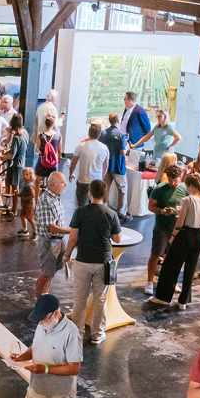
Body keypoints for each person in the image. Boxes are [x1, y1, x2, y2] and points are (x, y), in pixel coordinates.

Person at [9, 295, 82, 398]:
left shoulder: (71, 333)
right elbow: (36, 346)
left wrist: (45, 369)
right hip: (35, 390)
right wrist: (21, 357)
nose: (41, 323)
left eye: (44, 319)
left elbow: (74, 368)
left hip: (54, 397)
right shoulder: (43, 324)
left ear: (56, 313)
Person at [65, 179, 122, 342]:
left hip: (83, 260)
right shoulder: (111, 213)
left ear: (90, 193)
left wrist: (67, 254)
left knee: (79, 299)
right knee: (100, 300)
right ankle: (97, 334)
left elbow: (73, 237)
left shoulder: (80, 212)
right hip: (103, 262)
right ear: (105, 194)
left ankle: (77, 332)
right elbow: (118, 239)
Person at [150, 174, 200, 309]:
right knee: (190, 269)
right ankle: (183, 301)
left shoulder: (188, 200)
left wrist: (172, 237)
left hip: (185, 235)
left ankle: (163, 298)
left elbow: (180, 222)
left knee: (171, 266)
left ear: (190, 186)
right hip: (198, 237)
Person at [145, 164, 188, 295]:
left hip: (177, 229)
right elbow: (151, 206)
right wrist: (162, 211)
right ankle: (149, 282)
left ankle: (171, 281)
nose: (173, 183)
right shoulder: (159, 189)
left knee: (173, 257)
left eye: (175, 180)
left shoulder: (184, 189)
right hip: (162, 228)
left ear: (180, 177)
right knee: (155, 254)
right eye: (170, 180)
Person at [34, 171, 71, 297]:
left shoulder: (55, 197)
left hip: (57, 241)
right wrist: (72, 231)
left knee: (51, 273)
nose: (65, 185)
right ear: (53, 184)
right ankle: (39, 302)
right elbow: (51, 228)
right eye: (62, 182)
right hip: (49, 243)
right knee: (46, 274)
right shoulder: (46, 201)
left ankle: (45, 296)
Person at [98, 112, 131, 218]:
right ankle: (121, 212)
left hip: (105, 165)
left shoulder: (103, 133)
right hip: (118, 165)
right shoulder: (121, 135)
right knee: (122, 189)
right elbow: (122, 152)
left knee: (105, 188)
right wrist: (127, 148)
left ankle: (103, 209)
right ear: (118, 121)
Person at [119, 92, 152, 162]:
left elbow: (147, 126)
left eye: (125, 99)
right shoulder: (127, 109)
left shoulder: (139, 110)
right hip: (125, 139)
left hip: (134, 141)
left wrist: (144, 138)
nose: (124, 101)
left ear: (129, 101)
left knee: (133, 162)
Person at [32, 115, 60, 195]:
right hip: (53, 161)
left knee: (37, 180)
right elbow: (59, 150)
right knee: (50, 181)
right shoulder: (58, 135)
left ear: (45, 123)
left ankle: (36, 200)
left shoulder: (40, 135)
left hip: (42, 160)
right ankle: (48, 199)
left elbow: (38, 149)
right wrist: (58, 158)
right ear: (53, 124)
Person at [17, 167, 37, 239]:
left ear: (31, 176)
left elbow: (33, 195)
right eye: (23, 174)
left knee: (30, 218)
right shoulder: (25, 184)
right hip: (24, 204)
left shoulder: (29, 186)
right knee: (22, 216)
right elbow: (23, 193)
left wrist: (25, 198)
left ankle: (35, 232)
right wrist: (19, 194)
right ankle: (25, 230)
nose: (24, 176)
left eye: (26, 174)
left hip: (29, 205)